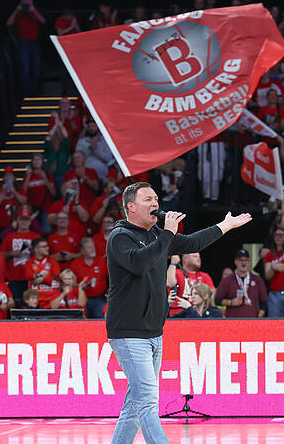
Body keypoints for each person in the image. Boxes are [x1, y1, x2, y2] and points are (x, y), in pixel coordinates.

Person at [105, 182, 250, 443]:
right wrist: (167, 234)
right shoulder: (120, 237)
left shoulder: (156, 235)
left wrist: (226, 225)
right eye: (147, 199)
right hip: (129, 331)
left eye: (156, 199)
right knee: (148, 402)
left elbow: (194, 241)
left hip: (153, 332)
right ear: (131, 207)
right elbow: (139, 264)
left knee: (135, 405)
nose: (155, 204)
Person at [0, 210, 41, 306]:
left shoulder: (36, 236)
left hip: (32, 277)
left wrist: (34, 252)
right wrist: (11, 253)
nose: (24, 222)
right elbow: (1, 254)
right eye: (22, 219)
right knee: (16, 302)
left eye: (26, 219)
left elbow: (44, 254)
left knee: (32, 304)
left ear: (30, 221)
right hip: (15, 276)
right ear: (17, 220)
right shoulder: (10, 237)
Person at [6, 0, 45, 94]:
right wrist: (16, 10)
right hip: (23, 43)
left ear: (31, 1)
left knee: (36, 67)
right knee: (25, 67)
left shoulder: (34, 10)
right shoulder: (18, 13)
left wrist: (34, 11)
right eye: (24, 0)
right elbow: (9, 23)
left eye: (28, 0)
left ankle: (35, 91)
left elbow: (43, 21)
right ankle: (26, 91)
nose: (26, 2)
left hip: (34, 42)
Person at [215, 249, 268, 318]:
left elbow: (264, 302)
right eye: (240, 260)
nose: (243, 263)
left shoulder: (257, 280)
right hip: (233, 322)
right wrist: (231, 302)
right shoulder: (227, 280)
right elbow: (217, 300)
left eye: (246, 260)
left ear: (249, 262)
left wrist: (259, 317)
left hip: (252, 322)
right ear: (235, 262)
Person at [69, 237, 108, 318]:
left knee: (100, 323)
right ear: (82, 250)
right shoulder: (75, 264)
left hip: (100, 299)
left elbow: (111, 278)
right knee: (82, 323)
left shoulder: (102, 261)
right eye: (89, 247)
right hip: (81, 299)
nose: (92, 249)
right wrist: (79, 286)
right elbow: (70, 282)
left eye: (93, 247)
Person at [24, 238, 62, 308]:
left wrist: (42, 279)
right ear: (36, 249)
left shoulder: (53, 261)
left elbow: (57, 279)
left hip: (51, 300)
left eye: (47, 246)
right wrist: (40, 275)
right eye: (44, 247)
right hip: (35, 301)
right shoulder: (29, 262)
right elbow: (28, 276)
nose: (47, 248)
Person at [0, 166, 28, 236]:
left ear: (14, 178)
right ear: (3, 178)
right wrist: (3, 192)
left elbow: (24, 201)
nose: (8, 178)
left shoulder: (20, 189)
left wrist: (14, 191)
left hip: (18, 223)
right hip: (2, 224)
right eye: (6, 176)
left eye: (10, 175)